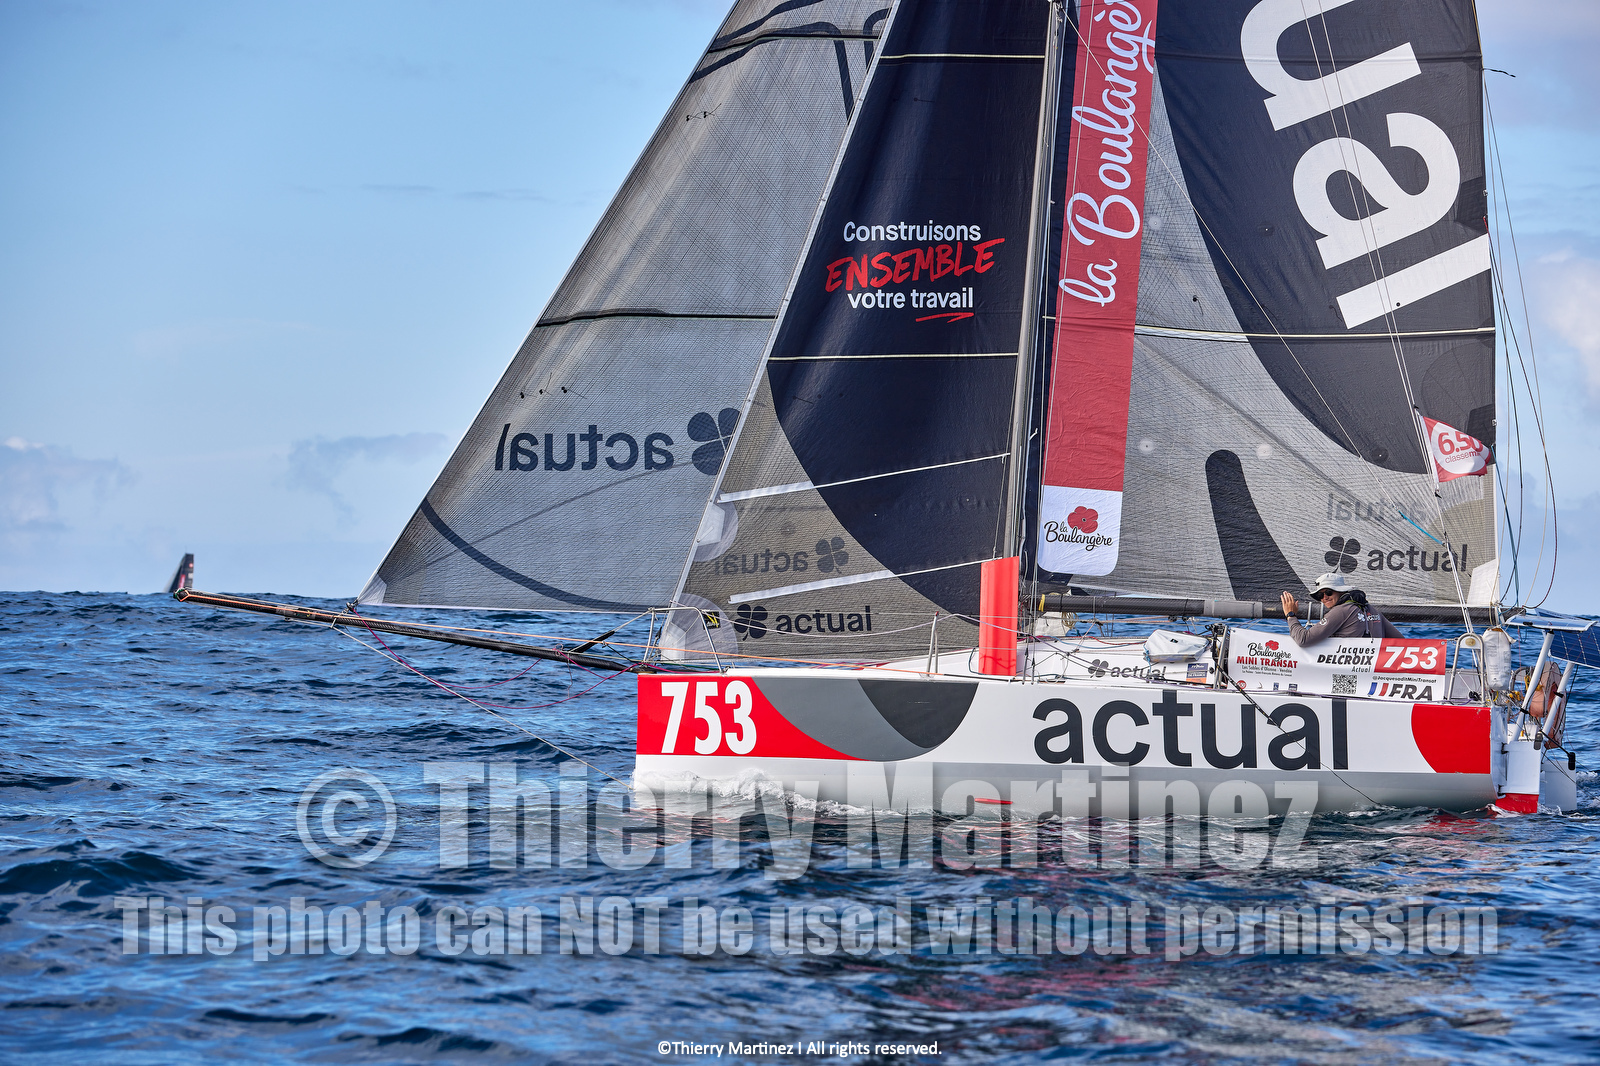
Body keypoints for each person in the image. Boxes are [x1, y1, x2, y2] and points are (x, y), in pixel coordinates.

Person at [1279, 573, 1401, 647]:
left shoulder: (1340, 611)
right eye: (1319, 595)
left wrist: (1290, 615)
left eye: (1328, 592)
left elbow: (1303, 639)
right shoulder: (1373, 610)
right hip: (1371, 671)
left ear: (1341, 591)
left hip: (1347, 672)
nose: (1325, 597)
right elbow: (1400, 641)